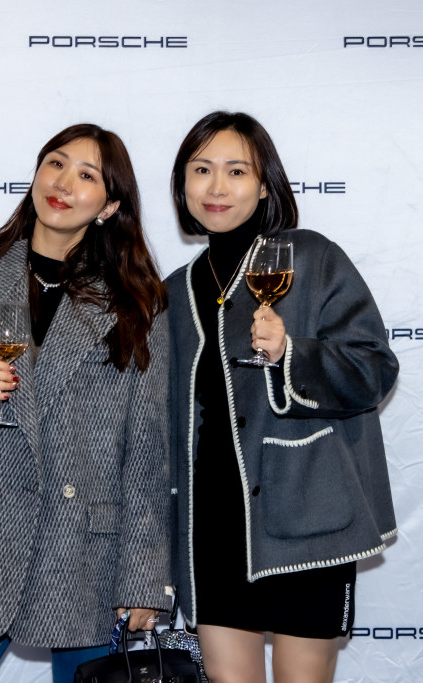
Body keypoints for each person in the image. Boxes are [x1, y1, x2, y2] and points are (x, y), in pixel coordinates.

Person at [0, 123, 171, 683]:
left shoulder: (138, 302)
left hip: (84, 547)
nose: (63, 182)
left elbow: (148, 450)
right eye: (56, 163)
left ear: (108, 206)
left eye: (86, 175)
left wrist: (144, 577)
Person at [165, 112, 399, 683]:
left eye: (236, 171)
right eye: (202, 169)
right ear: (183, 183)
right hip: (211, 526)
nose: (217, 187)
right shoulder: (173, 290)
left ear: (265, 185)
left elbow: (374, 368)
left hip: (305, 515)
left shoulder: (311, 258)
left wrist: (293, 354)